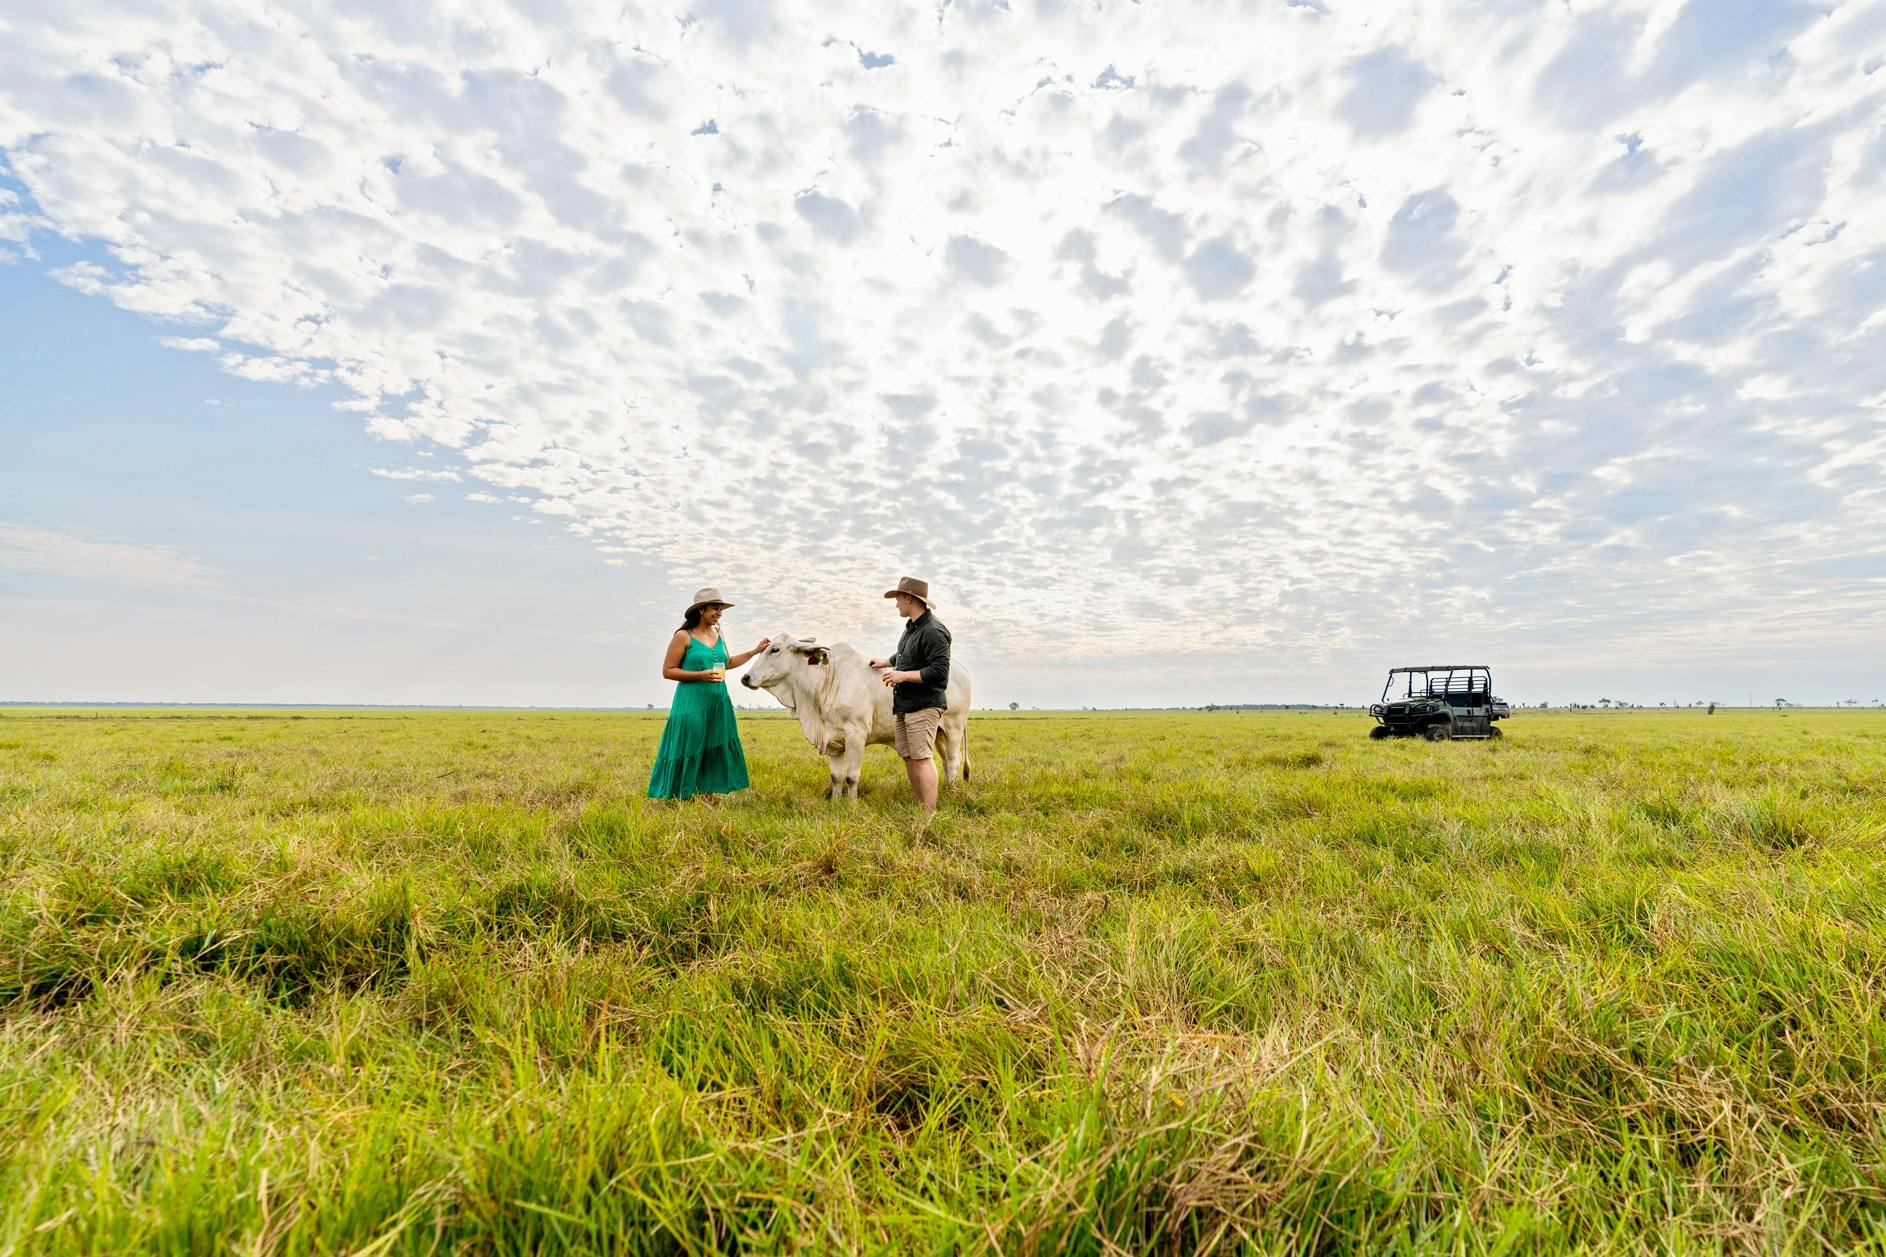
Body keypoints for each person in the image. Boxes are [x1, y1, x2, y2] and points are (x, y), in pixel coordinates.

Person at [647, 587, 769, 801]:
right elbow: (668, 671)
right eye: (715, 608)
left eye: (721, 608)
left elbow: (728, 663)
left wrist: (754, 651)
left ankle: (706, 796)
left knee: (713, 746)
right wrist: (700, 675)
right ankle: (682, 795)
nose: (719, 612)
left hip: (718, 702)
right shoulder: (683, 636)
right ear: (701, 610)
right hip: (691, 702)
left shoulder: (719, 633)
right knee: (690, 744)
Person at [867, 576, 951, 813]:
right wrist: (884, 662)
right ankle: (920, 804)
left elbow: (939, 672)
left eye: (898, 599)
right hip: (904, 704)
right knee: (908, 756)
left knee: (923, 757)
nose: (896, 605)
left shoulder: (934, 631)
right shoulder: (911, 628)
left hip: (924, 705)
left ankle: (929, 813)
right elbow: (903, 654)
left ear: (909, 598)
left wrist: (902, 676)